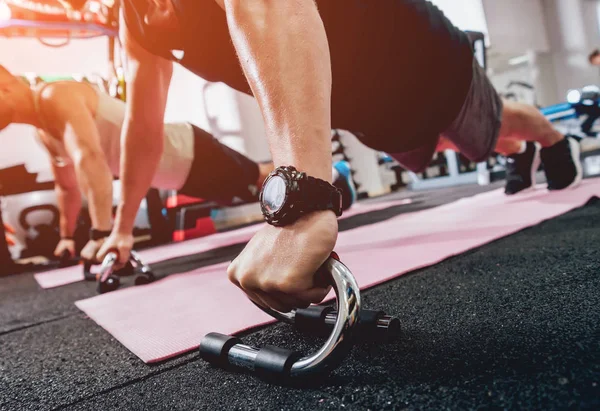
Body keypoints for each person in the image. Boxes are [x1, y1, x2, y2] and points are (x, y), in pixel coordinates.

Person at [99, 0, 582, 313]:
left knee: (487, 129)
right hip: (361, 105)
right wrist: (121, 229)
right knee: (445, 145)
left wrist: (301, 200)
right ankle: (514, 151)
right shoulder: (136, 22)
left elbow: (269, 6)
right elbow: (141, 130)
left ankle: (548, 137)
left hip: (418, 57)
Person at [0, 65, 356, 261]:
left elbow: (90, 159)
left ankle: (333, 180)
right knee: (252, 191)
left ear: (7, 80)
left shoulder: (54, 95)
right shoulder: (43, 133)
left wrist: (101, 232)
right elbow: (67, 185)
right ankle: (328, 185)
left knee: (262, 183)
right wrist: (65, 237)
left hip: (186, 149)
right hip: (173, 172)